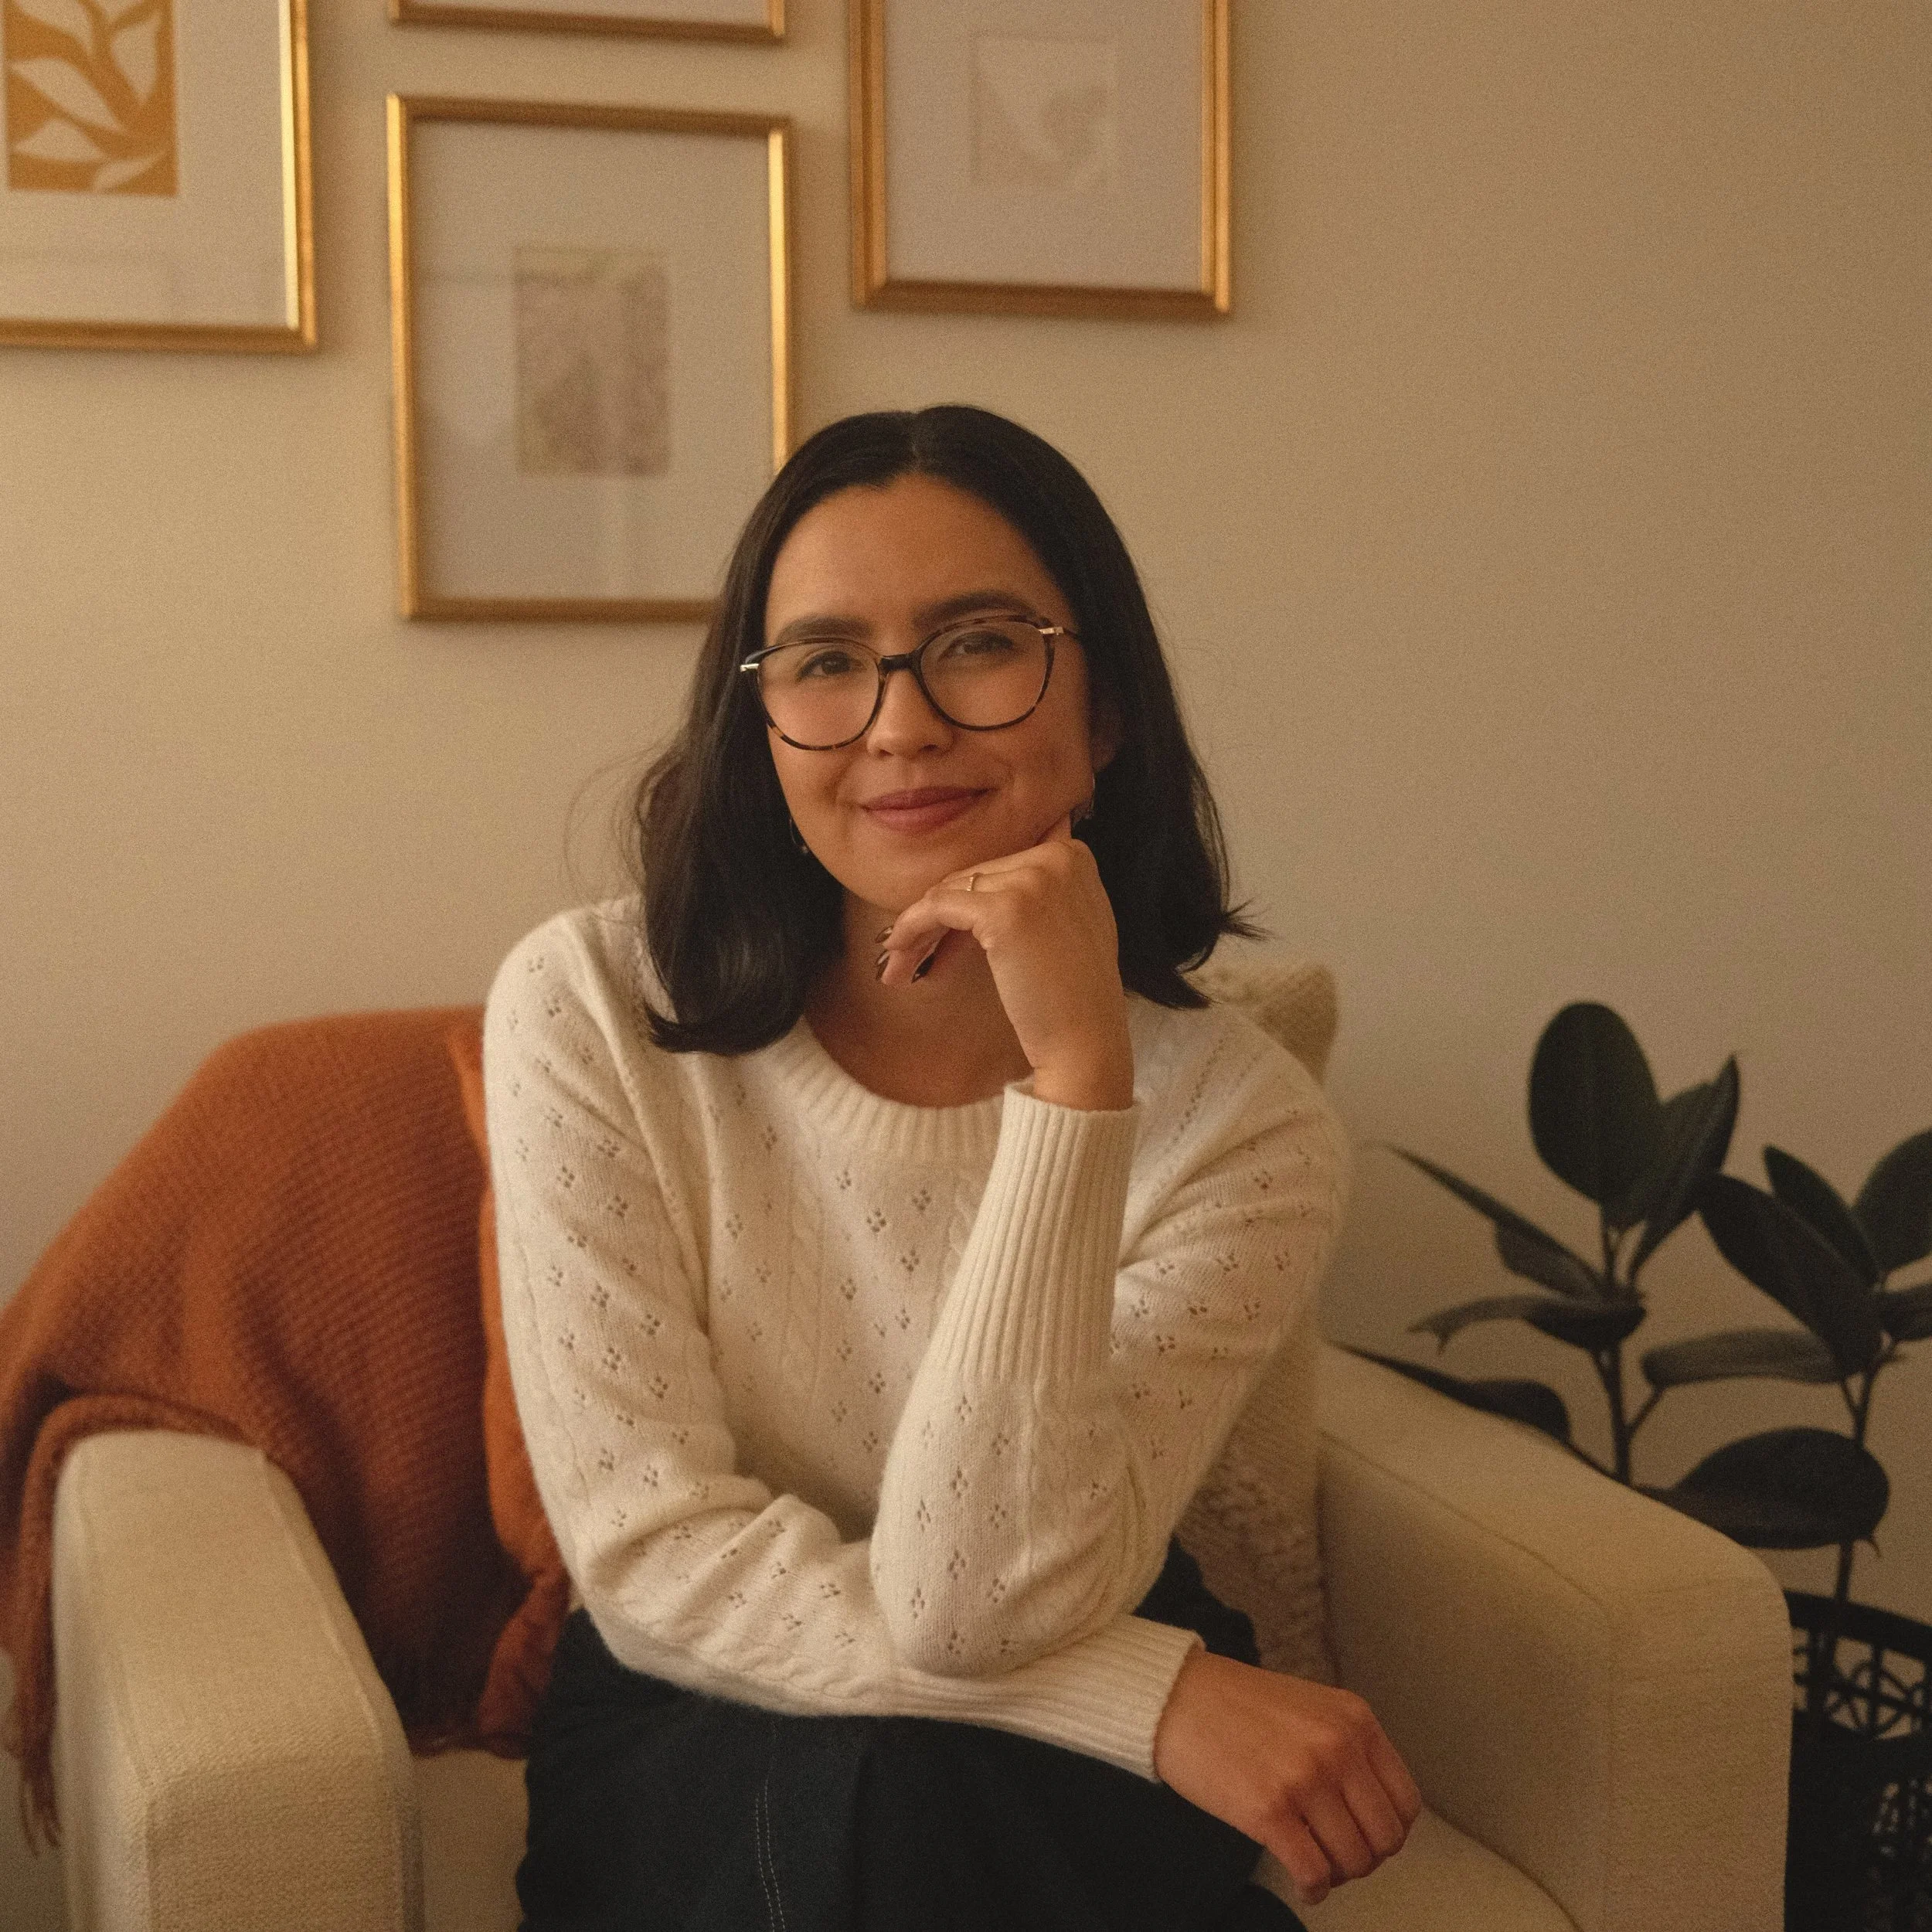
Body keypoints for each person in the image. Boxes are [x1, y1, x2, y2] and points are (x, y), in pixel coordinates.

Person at [484, 406, 1420, 1932]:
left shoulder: (1243, 1127)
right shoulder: (590, 1009)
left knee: (921, 1810)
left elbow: (980, 1600)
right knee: (881, 1804)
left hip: (1047, 1619)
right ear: (759, 716)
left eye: (975, 643)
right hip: (701, 1690)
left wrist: (1073, 1089)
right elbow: (652, 1548)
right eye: (824, 660)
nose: (897, 723)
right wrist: (1147, 1695)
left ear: (1102, 705)